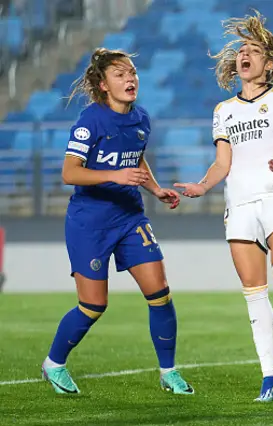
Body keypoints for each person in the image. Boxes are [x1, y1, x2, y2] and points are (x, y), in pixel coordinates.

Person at [174, 12, 273, 402]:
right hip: (240, 204)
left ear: (269, 63)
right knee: (254, 293)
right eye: (241, 51)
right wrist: (202, 185)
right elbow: (223, 162)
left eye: (253, 51)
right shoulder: (223, 111)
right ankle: (271, 375)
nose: (244, 55)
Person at [41, 48, 193, 395]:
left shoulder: (141, 119)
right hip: (90, 222)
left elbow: (135, 162)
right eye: (120, 74)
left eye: (133, 73)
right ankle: (54, 363)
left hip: (129, 217)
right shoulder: (89, 121)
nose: (130, 79)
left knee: (160, 293)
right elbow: (70, 172)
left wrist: (155, 190)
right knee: (93, 305)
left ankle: (169, 372)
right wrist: (115, 175)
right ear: (103, 84)